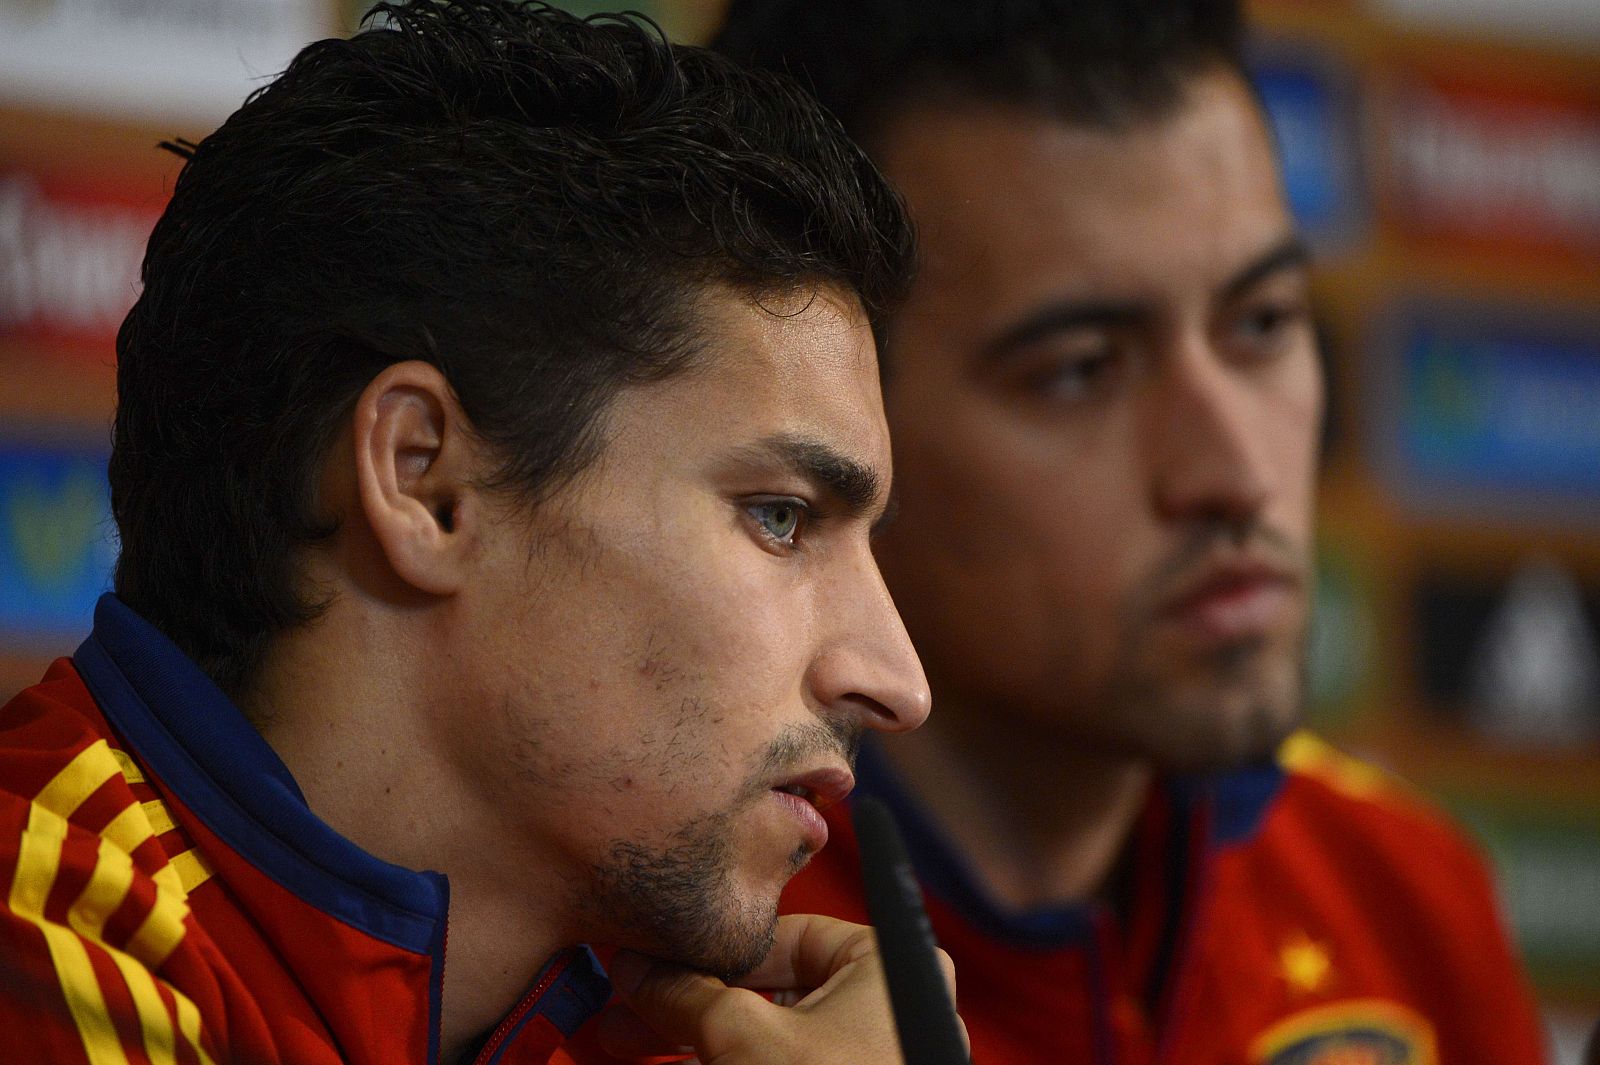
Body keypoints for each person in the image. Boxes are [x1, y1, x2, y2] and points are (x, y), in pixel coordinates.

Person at [0, 2, 951, 1062]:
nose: (895, 679)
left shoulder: (674, 1027)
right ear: (426, 484)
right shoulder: (36, 934)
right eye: (781, 519)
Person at [714, 1, 1549, 1062]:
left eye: (1261, 323)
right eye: (1079, 371)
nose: (1233, 472)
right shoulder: (665, 974)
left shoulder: (1397, 895)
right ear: (832, 422)